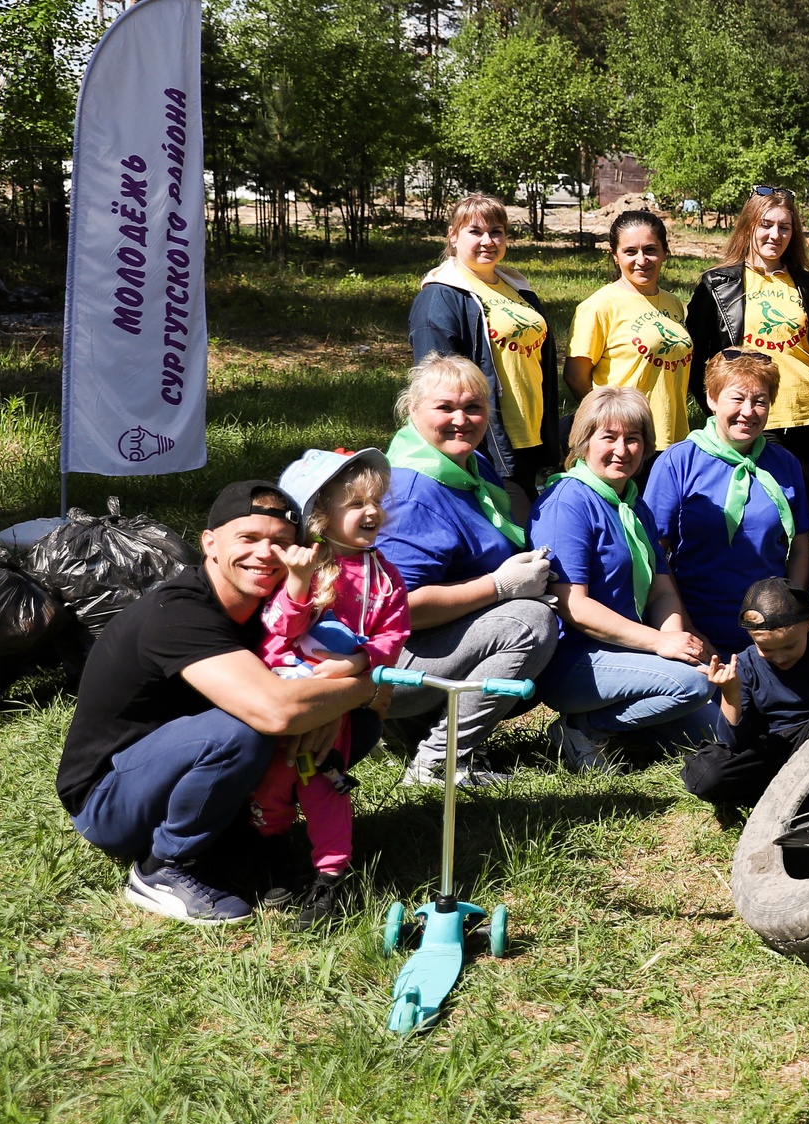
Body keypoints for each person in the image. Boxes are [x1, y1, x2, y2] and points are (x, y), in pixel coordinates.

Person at [58, 481, 391, 924]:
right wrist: (359, 689)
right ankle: (163, 868)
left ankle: (244, 838)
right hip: (111, 800)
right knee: (249, 727)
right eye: (248, 539)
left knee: (358, 728)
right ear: (210, 543)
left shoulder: (276, 611)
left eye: (281, 542)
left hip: (181, 762)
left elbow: (377, 690)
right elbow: (276, 711)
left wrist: (349, 703)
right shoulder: (178, 613)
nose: (265, 554)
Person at [376, 355, 563, 788]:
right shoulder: (411, 492)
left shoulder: (468, 466)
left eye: (474, 407)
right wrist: (500, 587)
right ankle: (435, 764)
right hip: (382, 665)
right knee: (530, 626)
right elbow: (399, 610)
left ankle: (409, 730)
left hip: (431, 644)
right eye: (445, 408)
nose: (461, 420)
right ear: (412, 411)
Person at [251, 448, 410, 926]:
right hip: (280, 692)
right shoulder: (309, 563)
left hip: (333, 701)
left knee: (324, 787)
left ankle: (330, 879)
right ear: (321, 512)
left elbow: (394, 634)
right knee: (271, 787)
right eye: (356, 503)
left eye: (377, 501)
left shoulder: (385, 576)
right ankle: (275, 857)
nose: (371, 512)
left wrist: (359, 661)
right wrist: (299, 584)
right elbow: (276, 627)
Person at [532, 387, 717, 768]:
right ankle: (584, 727)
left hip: (631, 650)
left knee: (717, 734)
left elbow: (661, 590)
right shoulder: (568, 502)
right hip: (574, 660)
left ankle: (628, 726)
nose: (622, 449)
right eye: (609, 437)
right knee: (692, 685)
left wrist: (674, 639)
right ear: (584, 442)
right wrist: (659, 645)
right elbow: (573, 605)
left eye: (633, 439)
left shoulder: (632, 503)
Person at [643, 349, 809, 659]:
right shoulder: (677, 462)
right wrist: (684, 628)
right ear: (711, 398)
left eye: (759, 401)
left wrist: (791, 615)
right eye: (737, 399)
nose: (748, 412)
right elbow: (654, 554)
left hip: (772, 630)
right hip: (698, 625)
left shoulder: (784, 464)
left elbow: (801, 546)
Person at [681, 579, 809, 812]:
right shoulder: (744, 666)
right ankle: (785, 790)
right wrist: (730, 692)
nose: (780, 657)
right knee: (708, 775)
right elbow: (733, 743)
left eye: (789, 646)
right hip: (765, 748)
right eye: (766, 649)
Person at [409, 193, 562, 495]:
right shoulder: (442, 297)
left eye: (496, 232)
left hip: (532, 437)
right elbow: (437, 386)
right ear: (453, 235)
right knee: (516, 537)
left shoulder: (517, 288)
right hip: (488, 447)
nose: (488, 241)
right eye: (475, 231)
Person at [686, 186, 809, 495]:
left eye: (784, 227)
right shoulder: (718, 285)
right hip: (751, 417)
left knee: (802, 516)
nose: (775, 234)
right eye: (766, 224)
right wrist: (721, 408)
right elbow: (695, 360)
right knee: (758, 513)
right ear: (749, 225)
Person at [568, 208, 693, 453]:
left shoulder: (673, 302)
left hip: (675, 438)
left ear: (664, 252)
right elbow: (575, 377)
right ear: (615, 255)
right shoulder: (599, 306)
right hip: (628, 441)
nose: (641, 260)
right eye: (630, 251)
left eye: (650, 250)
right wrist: (609, 421)